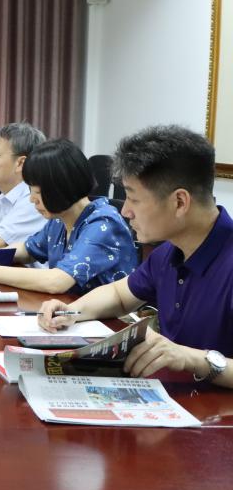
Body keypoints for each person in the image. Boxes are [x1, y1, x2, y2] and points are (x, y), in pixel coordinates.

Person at [39, 126, 233, 388]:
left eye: (133, 199)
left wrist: (193, 359)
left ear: (179, 202)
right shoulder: (169, 252)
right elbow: (120, 295)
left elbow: (189, 359)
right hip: (173, 397)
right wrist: (72, 312)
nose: (126, 211)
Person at [0, 139, 137, 295]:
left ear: (61, 187)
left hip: (106, 320)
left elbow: (57, 281)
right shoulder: (60, 219)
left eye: (37, 192)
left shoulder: (103, 223)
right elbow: (28, 249)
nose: (32, 199)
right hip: (68, 310)